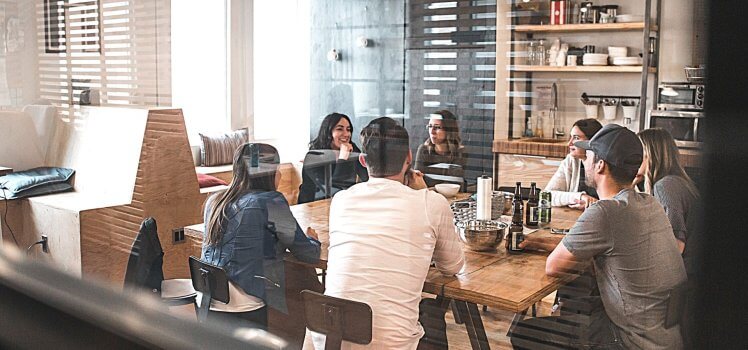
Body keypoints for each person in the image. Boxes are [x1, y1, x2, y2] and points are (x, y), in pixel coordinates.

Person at [513, 124, 687, 349]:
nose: (584, 160)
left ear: (601, 165)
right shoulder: (648, 203)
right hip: (664, 336)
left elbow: (553, 267)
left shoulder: (606, 211)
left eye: (589, 156)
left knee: (525, 333)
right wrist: (539, 242)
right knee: (576, 304)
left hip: (631, 341)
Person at [308, 117, 465, 349]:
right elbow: (452, 266)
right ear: (409, 158)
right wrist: (424, 193)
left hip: (329, 340)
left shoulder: (341, 200)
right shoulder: (431, 203)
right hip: (392, 345)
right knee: (431, 316)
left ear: (362, 160)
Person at [201, 142, 321, 330]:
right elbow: (308, 254)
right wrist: (313, 239)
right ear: (270, 172)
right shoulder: (270, 202)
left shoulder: (214, 201)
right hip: (245, 306)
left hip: (209, 302)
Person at [298, 113, 369, 204]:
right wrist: (343, 159)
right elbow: (333, 190)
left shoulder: (352, 149)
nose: (346, 134)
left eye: (348, 130)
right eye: (339, 129)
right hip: (313, 207)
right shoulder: (314, 156)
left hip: (342, 204)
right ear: (328, 132)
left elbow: (367, 177)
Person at [544, 118, 603, 209]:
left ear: (592, 141)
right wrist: (580, 197)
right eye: (570, 137)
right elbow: (547, 196)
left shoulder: (606, 164)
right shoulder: (571, 161)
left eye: (576, 138)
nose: (569, 143)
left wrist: (593, 204)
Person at [414, 110, 466, 185]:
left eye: (437, 127)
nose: (432, 131)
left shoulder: (460, 152)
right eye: (430, 126)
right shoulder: (424, 150)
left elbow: (454, 184)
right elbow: (416, 180)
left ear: (448, 130)